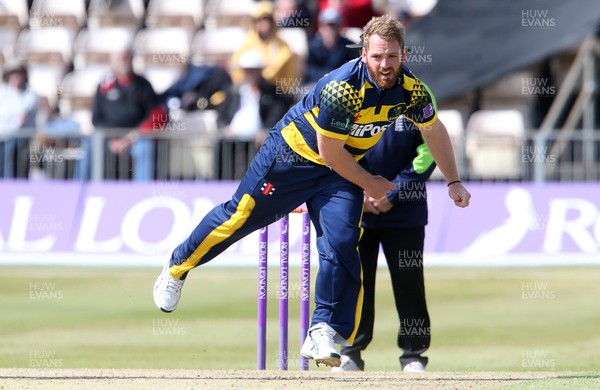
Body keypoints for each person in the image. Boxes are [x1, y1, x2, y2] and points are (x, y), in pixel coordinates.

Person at [153, 14, 471, 368]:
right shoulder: (343, 87)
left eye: (392, 56)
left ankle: (322, 329)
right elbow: (328, 151)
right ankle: (178, 265)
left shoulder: (413, 90)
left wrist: (453, 180)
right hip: (292, 158)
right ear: (364, 53)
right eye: (378, 56)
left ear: (403, 55)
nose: (385, 64)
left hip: (339, 171)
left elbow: (433, 131)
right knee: (239, 216)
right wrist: (372, 183)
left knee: (341, 243)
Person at [332, 117, 434, 373]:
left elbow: (430, 150)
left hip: (406, 210)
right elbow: (333, 148)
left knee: (408, 282)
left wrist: (394, 192)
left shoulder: (418, 95)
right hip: (357, 207)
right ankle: (350, 352)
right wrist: (361, 188)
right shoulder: (352, 92)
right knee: (356, 281)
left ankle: (413, 355)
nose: (386, 72)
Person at [92, 49, 166, 181]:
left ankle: (142, 193)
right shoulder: (103, 87)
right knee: (91, 145)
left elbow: (157, 115)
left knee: (145, 147)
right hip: (109, 139)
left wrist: (130, 138)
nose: (124, 62)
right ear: (113, 62)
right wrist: (111, 140)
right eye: (121, 58)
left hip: (135, 138)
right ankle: (82, 190)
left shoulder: (143, 86)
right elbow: (96, 119)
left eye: (127, 58)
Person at [217, 50, 294, 146]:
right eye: (247, 70)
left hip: (260, 145)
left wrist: (266, 132)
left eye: (254, 70)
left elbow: (277, 115)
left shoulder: (272, 94)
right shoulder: (233, 92)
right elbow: (222, 115)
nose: (250, 74)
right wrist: (225, 128)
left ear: (260, 71)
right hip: (232, 145)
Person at [230, 1, 299, 87]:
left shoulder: (283, 47)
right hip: (248, 89)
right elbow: (236, 71)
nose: (264, 23)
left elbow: (289, 79)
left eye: (267, 19)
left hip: (273, 94)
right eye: (260, 20)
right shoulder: (247, 43)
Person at [0, 63, 39, 178]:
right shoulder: (2, 91)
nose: (15, 77)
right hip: (2, 135)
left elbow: (21, 115)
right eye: (13, 74)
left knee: (14, 168)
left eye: (19, 74)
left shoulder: (31, 94)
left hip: (18, 139)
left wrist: (15, 91)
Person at [304, 8, 358, 84]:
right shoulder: (313, 46)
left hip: (343, 85)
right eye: (326, 26)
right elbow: (309, 71)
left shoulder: (349, 46)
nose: (329, 30)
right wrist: (328, 77)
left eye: (333, 26)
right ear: (320, 27)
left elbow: (353, 69)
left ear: (340, 27)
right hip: (317, 84)